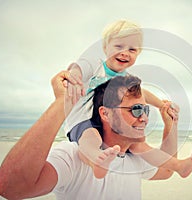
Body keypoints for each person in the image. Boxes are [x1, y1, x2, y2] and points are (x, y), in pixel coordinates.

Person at [0, 72, 192, 200]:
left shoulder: (133, 158)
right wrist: (62, 102)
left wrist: (171, 124)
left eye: (146, 111)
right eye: (136, 110)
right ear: (105, 113)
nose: (144, 118)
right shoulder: (72, 156)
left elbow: (166, 170)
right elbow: (10, 188)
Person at [64, 19, 181, 178]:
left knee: (139, 145)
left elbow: (143, 93)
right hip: (82, 119)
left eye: (132, 49)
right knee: (91, 136)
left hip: (105, 123)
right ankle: (97, 160)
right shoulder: (96, 65)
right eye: (118, 46)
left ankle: (177, 165)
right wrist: (75, 77)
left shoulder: (124, 79)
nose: (125, 52)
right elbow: (79, 67)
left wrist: (161, 106)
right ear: (105, 48)